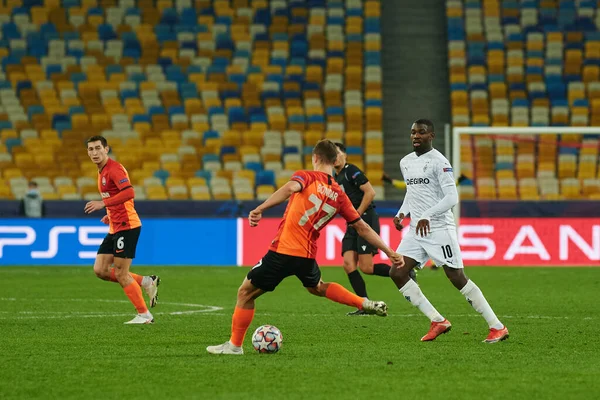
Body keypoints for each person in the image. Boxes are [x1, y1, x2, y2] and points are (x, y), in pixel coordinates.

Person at [207, 139, 404, 355]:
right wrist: (390, 251)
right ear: (335, 160)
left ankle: (234, 346)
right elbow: (363, 228)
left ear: (315, 158)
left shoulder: (307, 175)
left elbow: (290, 188)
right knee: (317, 287)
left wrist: (260, 208)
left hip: (283, 249)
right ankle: (362, 302)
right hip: (307, 255)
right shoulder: (339, 194)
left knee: (245, 293)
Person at [389, 119, 509, 343]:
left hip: (439, 228)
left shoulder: (439, 162)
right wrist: (402, 213)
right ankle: (437, 321)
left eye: (421, 133)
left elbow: (452, 197)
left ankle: (497, 327)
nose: (416, 136)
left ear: (431, 136)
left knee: (456, 277)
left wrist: (427, 214)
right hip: (417, 229)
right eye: (413, 132)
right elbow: (412, 193)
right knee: (397, 272)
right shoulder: (405, 162)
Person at [84, 135, 160, 325]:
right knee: (100, 270)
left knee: (120, 273)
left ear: (106, 149)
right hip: (115, 226)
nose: (94, 152)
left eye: (97, 148)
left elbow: (129, 192)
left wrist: (103, 204)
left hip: (127, 226)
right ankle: (145, 282)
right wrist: (110, 213)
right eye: (90, 149)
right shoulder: (101, 171)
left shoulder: (114, 169)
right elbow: (119, 196)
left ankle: (144, 315)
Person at [333, 142, 415, 316]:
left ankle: (405, 271)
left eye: (338, 153)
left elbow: (370, 192)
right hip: (352, 222)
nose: (335, 157)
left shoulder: (351, 171)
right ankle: (364, 305)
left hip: (364, 219)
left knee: (367, 268)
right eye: (332, 154)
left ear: (344, 155)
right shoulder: (336, 177)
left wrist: (357, 214)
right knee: (348, 264)